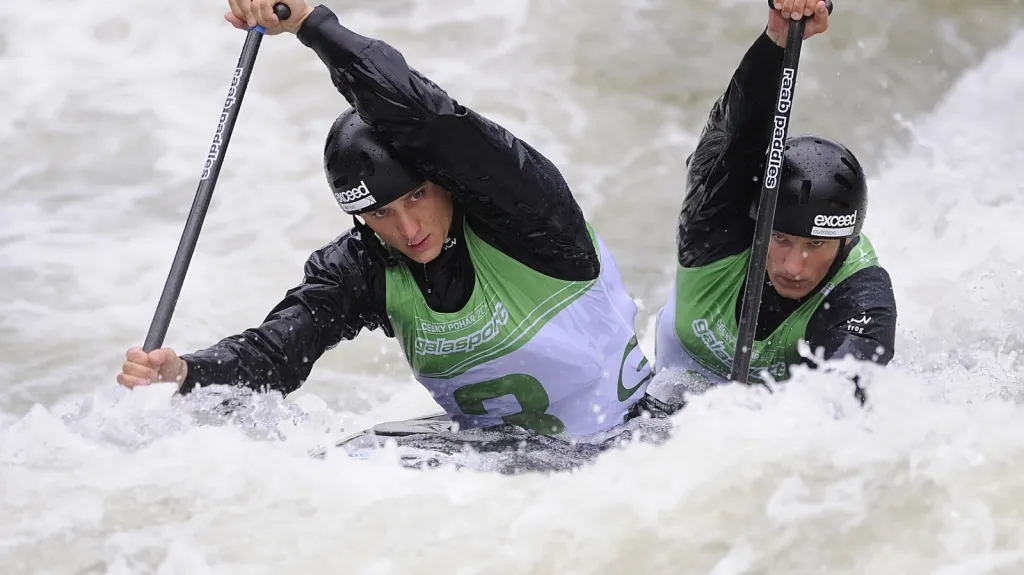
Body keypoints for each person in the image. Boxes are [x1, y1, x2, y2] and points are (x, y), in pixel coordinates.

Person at [116, 0, 659, 437]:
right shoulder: (364, 264)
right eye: (380, 213)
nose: (408, 230)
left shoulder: (527, 215)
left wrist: (310, 24)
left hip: (630, 445)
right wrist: (186, 373)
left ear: (444, 179)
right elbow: (276, 354)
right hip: (502, 469)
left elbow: (433, 121)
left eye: (417, 197)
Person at [652, 0, 898, 395]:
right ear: (757, 222)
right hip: (661, 398)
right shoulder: (714, 229)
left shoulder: (862, 296)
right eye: (781, 238)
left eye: (815, 244)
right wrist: (776, 42)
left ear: (847, 241)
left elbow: (839, 405)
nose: (794, 267)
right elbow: (736, 134)